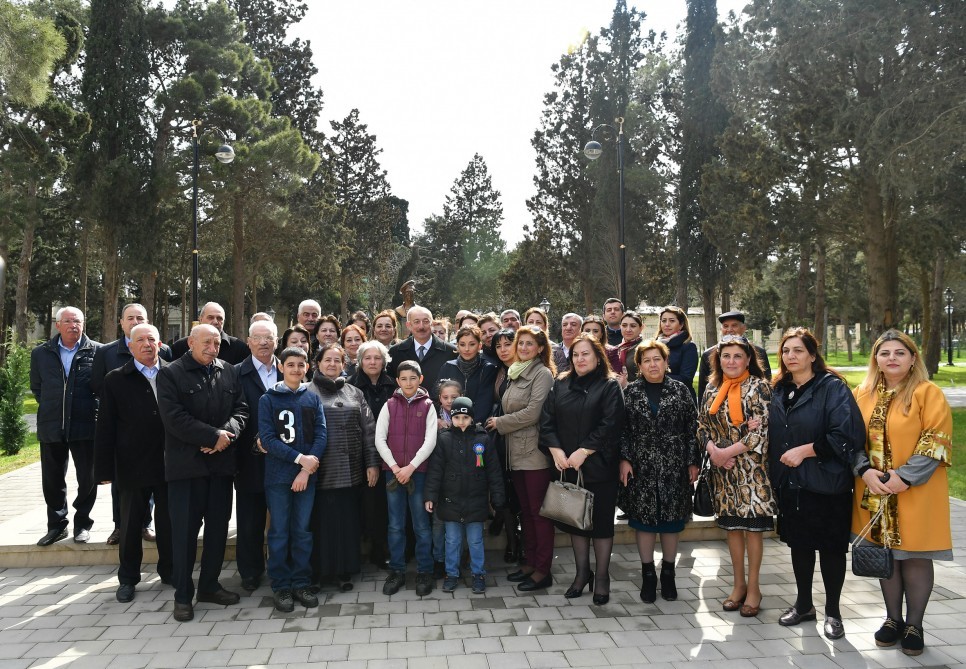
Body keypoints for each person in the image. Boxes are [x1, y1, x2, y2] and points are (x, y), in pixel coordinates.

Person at [851, 329, 953, 656]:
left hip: (916, 491)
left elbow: (935, 437)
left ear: (912, 359)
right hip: (873, 489)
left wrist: (905, 478)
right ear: (876, 360)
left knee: (915, 556)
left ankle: (915, 624)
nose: (892, 358)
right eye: (885, 353)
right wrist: (865, 470)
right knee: (887, 557)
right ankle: (893, 619)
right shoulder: (861, 394)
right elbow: (848, 437)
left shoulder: (927, 393)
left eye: (899, 353)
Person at [768, 327, 864, 640]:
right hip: (792, 484)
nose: (790, 356)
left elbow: (846, 436)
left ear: (812, 355)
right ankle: (804, 605)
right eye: (786, 351)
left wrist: (806, 451)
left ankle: (833, 612)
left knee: (831, 550)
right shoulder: (779, 389)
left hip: (827, 484)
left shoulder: (831, 388)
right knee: (800, 546)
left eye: (798, 350)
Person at [156, 323, 248, 622]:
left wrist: (226, 435)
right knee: (184, 534)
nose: (213, 347)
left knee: (218, 531)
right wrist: (211, 437)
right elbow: (174, 418)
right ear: (190, 343)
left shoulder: (229, 371)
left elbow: (242, 409)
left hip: (220, 468)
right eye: (207, 342)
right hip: (187, 470)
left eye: (217, 343)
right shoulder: (170, 373)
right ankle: (183, 595)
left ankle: (209, 586)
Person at [540, 334, 625, 605]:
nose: (580, 359)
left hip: (599, 467)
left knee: (600, 526)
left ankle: (601, 577)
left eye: (586, 353)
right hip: (566, 467)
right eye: (576, 354)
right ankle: (581, 574)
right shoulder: (560, 384)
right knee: (576, 523)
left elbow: (611, 423)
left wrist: (584, 451)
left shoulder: (609, 386)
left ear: (598, 356)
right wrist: (555, 450)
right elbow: (547, 420)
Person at [697, 333, 775, 619]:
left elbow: (761, 431)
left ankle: (754, 588)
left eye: (737, 356)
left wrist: (727, 451)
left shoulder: (760, 387)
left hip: (752, 472)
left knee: (753, 530)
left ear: (748, 359)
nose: (731, 361)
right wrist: (714, 451)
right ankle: (738, 584)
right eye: (726, 356)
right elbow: (701, 425)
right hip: (724, 472)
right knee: (732, 529)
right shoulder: (710, 388)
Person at [93, 324, 172, 602]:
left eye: (152, 339)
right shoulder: (115, 379)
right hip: (132, 464)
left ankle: (170, 571)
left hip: (169, 463)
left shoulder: (173, 373)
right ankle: (128, 578)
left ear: (160, 343)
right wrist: (102, 469)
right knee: (129, 526)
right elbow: (105, 426)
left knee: (168, 522)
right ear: (130, 346)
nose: (147, 344)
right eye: (140, 340)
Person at [618, 339, 701, 603]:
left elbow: (692, 428)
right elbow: (623, 430)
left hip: (674, 465)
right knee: (643, 522)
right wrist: (625, 459)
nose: (652, 364)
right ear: (639, 366)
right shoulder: (630, 392)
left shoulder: (680, 390)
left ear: (666, 362)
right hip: (640, 466)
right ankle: (647, 575)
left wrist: (692, 461)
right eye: (646, 361)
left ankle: (668, 573)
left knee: (671, 522)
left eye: (657, 359)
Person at [485, 325, 556, 592]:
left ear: (540, 348)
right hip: (514, 453)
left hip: (533, 454)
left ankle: (543, 570)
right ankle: (529, 563)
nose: (524, 348)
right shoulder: (516, 372)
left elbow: (533, 413)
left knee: (539, 514)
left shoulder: (542, 373)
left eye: (530, 344)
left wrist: (500, 422)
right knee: (525, 512)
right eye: (521, 343)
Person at [306, 342, 380, 592]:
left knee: (347, 523)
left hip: (350, 470)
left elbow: (368, 431)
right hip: (320, 471)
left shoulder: (354, 393)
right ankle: (319, 572)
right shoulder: (307, 392)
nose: (332, 364)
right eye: (327, 360)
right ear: (318, 363)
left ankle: (343, 570)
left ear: (344, 364)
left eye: (337, 361)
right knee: (320, 524)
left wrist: (372, 463)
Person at [258, 347, 327, 612]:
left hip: (306, 478)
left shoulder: (312, 398)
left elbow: (321, 436)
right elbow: (268, 440)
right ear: (281, 367)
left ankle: (301, 581)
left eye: (301, 365)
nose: (296, 370)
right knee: (278, 532)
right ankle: (281, 586)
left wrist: (306, 470)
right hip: (278, 477)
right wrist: (300, 460)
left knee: (302, 531)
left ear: (307, 368)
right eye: (290, 365)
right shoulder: (269, 399)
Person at [31, 306, 101, 546]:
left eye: (78, 321)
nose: (74, 325)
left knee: (88, 478)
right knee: (52, 480)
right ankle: (57, 526)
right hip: (52, 425)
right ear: (57, 324)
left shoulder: (97, 351)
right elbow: (37, 388)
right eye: (69, 321)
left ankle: (83, 523)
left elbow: (103, 388)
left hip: (85, 425)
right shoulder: (41, 353)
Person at [424, 397, 505, 595]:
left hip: (476, 501)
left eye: (465, 417)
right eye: (457, 417)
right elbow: (435, 471)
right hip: (450, 501)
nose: (461, 421)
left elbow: (493, 471)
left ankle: (478, 574)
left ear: (472, 418)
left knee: (476, 540)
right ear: (451, 418)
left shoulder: (482, 439)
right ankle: (451, 574)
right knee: (451, 540)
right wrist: (430, 496)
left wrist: (497, 497)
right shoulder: (443, 439)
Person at [375, 360, 439, 597]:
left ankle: (425, 570)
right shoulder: (390, 405)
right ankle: (397, 570)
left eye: (413, 378)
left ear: (420, 379)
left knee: (421, 524)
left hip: (418, 473)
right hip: (393, 473)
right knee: (395, 524)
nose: (408, 383)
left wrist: (410, 467)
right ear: (397, 381)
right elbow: (379, 438)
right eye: (403, 379)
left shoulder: (429, 405)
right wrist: (394, 467)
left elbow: (430, 441)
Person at [233, 320, 281, 593]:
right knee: (250, 520)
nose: (264, 342)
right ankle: (250, 572)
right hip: (248, 458)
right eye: (258, 338)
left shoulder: (288, 369)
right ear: (248, 341)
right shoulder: (236, 373)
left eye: (269, 338)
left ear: (276, 341)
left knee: (281, 517)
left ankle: (280, 567)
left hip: (284, 458)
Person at [349, 340, 397, 569]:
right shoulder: (350, 386)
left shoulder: (394, 385)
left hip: (391, 455)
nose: (372, 362)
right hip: (360, 456)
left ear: (384, 360)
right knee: (366, 505)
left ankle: (382, 551)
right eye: (367, 358)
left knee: (384, 506)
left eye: (377, 357)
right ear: (360, 361)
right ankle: (360, 552)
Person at [488, 328, 522, 563]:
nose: (503, 350)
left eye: (507, 344)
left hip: (522, 438)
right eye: (498, 346)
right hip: (500, 439)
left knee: (520, 494)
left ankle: (520, 542)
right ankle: (512, 541)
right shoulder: (499, 370)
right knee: (504, 489)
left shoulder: (527, 370)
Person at [697, 310, 772, 400]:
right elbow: (702, 390)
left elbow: (767, 381)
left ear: (743, 328)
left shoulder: (759, 352)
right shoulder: (708, 355)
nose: (729, 329)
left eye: (734, 325)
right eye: (725, 326)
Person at [387, 305, 457, 398]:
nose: (421, 326)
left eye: (426, 321)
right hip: (405, 409)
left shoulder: (450, 352)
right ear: (408, 325)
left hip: (438, 409)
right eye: (416, 322)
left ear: (432, 324)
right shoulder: (395, 352)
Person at [438, 325, 498, 424]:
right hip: (448, 425)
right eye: (462, 344)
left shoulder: (487, 368)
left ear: (479, 346)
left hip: (476, 426)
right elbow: (437, 395)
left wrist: (468, 424)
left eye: (472, 344)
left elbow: (484, 402)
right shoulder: (448, 366)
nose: (466, 349)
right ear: (457, 346)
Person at [169, 302, 249, 364]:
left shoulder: (239, 348)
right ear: (200, 319)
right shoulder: (181, 346)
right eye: (210, 317)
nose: (215, 321)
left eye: (219, 318)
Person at [657, 306, 699, 400]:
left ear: (681, 325)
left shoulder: (688, 346)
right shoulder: (654, 345)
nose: (667, 324)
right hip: (656, 397)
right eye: (663, 321)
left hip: (680, 398)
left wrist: (656, 377)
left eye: (672, 321)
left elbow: (686, 379)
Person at [606, 310, 644, 388]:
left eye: (633, 326)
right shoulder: (616, 349)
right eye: (624, 325)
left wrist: (627, 385)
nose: (628, 330)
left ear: (641, 328)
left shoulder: (645, 349)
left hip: (638, 394)